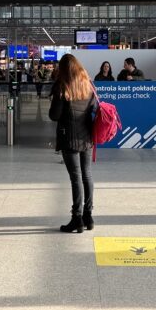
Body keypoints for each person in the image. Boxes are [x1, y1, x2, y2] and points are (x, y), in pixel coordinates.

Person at [49, 54, 99, 233]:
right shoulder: (88, 85)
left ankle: (76, 218)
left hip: (69, 137)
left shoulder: (62, 86)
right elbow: (93, 109)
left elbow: (54, 115)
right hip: (87, 137)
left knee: (75, 177)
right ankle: (88, 215)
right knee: (87, 175)